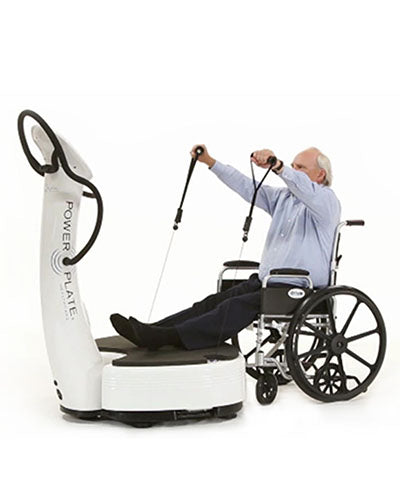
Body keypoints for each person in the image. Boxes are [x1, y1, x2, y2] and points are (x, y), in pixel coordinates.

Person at [111, 146, 341, 350]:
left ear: (320, 175)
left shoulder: (327, 202)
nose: (293, 170)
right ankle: (155, 329)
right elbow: (245, 186)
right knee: (212, 302)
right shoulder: (283, 198)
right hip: (268, 283)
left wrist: (279, 166)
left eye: (300, 167)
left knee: (233, 307)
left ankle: (168, 337)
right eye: (293, 165)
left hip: (299, 288)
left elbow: (304, 188)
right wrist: (210, 162)